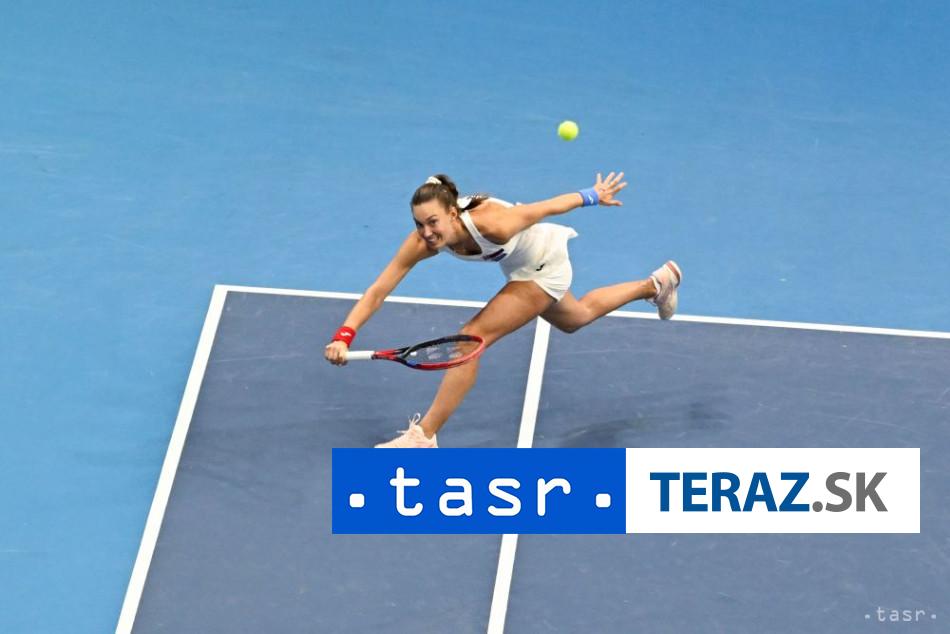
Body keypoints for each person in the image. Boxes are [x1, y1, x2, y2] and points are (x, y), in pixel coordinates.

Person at [324, 172, 681, 447]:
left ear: (452, 214)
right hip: (519, 267)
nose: (427, 232)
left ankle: (423, 437)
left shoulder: (494, 223)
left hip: (543, 265)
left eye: (433, 222)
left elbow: (545, 208)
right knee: (577, 317)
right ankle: (656, 284)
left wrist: (592, 195)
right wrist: (344, 335)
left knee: (470, 339)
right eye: (419, 224)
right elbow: (378, 290)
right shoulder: (422, 242)